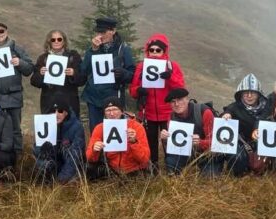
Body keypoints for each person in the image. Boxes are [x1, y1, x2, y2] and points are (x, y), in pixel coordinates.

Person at [0, 21, 35, 157]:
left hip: (14, 96)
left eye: (1, 31)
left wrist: (19, 63)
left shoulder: (17, 49)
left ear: (6, 32)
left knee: (15, 129)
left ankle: (17, 157)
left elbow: (29, 69)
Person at [129, 34, 186, 172]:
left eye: (158, 50)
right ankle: (153, 170)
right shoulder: (141, 67)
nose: (154, 53)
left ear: (164, 51)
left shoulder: (172, 66)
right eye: (151, 50)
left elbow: (181, 89)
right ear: (147, 51)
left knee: (170, 144)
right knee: (150, 144)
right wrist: (139, 90)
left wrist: (170, 77)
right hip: (148, 113)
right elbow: (132, 90)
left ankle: (173, 170)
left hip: (168, 113)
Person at [80, 17, 135, 131]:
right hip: (94, 98)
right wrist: (92, 51)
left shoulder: (123, 49)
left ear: (113, 31)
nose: (100, 35)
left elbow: (132, 75)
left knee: (113, 133)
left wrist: (123, 73)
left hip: (113, 99)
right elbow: (83, 71)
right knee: (96, 133)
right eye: (98, 32)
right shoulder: (93, 49)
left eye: (103, 32)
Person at [84, 98, 150, 180]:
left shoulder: (136, 126)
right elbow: (90, 158)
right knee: (87, 170)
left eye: (115, 109)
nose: (111, 113)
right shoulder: (99, 128)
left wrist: (134, 142)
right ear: (104, 113)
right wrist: (94, 149)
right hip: (111, 169)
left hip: (134, 169)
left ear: (122, 111)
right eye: (108, 110)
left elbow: (145, 159)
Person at [221, 74, 273, 176]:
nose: (249, 96)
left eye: (253, 93)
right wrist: (226, 115)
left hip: (263, 144)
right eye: (246, 93)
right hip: (243, 145)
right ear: (240, 94)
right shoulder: (235, 107)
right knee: (238, 157)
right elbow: (227, 111)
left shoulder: (268, 107)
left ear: (258, 94)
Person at [160, 88, 219, 175]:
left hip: (207, 154)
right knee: (170, 163)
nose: (176, 104)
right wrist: (165, 139)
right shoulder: (172, 117)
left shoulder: (204, 112)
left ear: (187, 99)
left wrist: (200, 143)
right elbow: (174, 146)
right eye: (173, 101)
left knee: (209, 176)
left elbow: (216, 143)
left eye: (180, 100)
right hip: (186, 153)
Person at [32, 94, 86, 184]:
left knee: (70, 155)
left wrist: (62, 179)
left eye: (60, 111)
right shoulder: (44, 125)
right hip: (55, 164)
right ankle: (46, 183)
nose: (56, 114)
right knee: (42, 162)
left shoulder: (77, 127)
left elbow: (75, 157)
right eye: (53, 111)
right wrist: (42, 150)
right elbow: (36, 152)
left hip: (71, 167)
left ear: (66, 112)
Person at [29, 29, 84, 115]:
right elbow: (33, 81)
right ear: (49, 42)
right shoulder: (43, 58)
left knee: (71, 127)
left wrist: (74, 73)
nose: (56, 41)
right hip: (49, 102)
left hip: (69, 101)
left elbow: (83, 79)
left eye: (59, 39)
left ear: (64, 41)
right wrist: (40, 74)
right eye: (53, 40)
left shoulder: (73, 56)